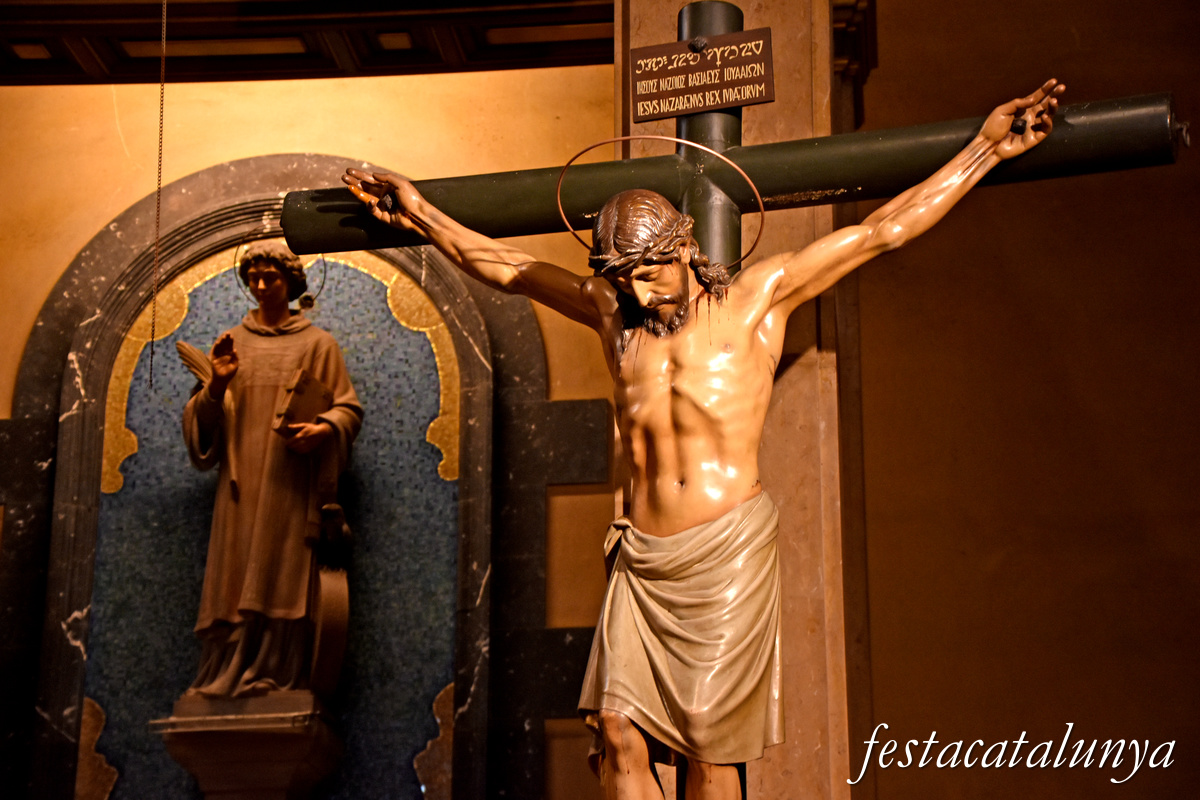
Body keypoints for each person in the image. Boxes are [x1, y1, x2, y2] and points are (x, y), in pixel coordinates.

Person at [343, 79, 1063, 799]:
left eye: (649, 273)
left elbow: (882, 231)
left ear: (684, 248)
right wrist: (420, 211)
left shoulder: (760, 300)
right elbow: (502, 265)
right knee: (618, 731)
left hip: (725, 555)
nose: (638, 294)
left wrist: (986, 148)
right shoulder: (611, 313)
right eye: (623, 281)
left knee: (707, 754)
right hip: (639, 558)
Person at [182, 241, 363, 698]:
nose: (261, 287)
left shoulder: (318, 345)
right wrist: (218, 382)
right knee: (234, 575)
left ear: (291, 283)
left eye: (271, 278)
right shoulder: (231, 344)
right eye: (254, 279)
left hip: (289, 484)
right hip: (240, 488)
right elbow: (203, 422)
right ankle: (226, 668)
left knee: (281, 576)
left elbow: (347, 409)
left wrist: (324, 428)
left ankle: (277, 673)